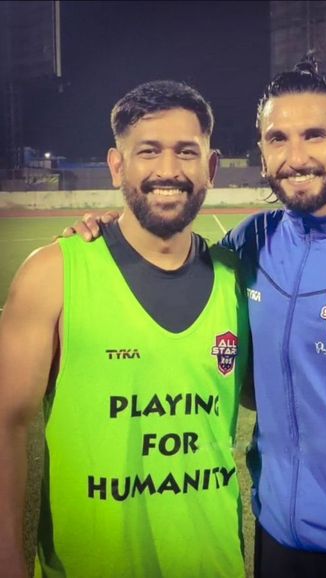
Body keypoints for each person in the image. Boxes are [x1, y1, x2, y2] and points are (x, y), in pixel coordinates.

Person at [59, 59, 326, 578]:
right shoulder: (250, 242)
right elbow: (170, 256)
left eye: (314, 135)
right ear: (262, 152)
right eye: (277, 138)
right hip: (277, 543)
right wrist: (110, 228)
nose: (296, 158)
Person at [0, 80, 250, 578]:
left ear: (212, 167)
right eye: (148, 152)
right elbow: (7, 423)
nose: (168, 171)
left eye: (186, 152)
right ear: (117, 165)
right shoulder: (53, 273)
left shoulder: (238, 280)